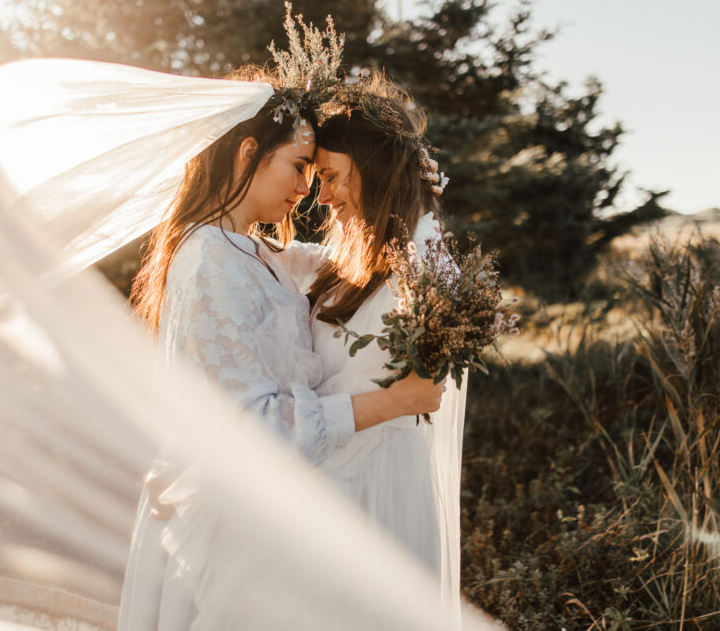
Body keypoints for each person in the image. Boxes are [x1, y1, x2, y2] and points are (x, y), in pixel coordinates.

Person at [118, 68, 444, 631]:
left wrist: (411, 191)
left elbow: (357, 268)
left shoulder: (253, 252)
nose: (307, 191)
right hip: (234, 524)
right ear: (248, 153)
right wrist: (395, 402)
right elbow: (254, 426)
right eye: (299, 167)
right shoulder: (209, 261)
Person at [275, 71, 467, 608]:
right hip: (321, 482)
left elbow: (426, 388)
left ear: (378, 171)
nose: (322, 195)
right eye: (316, 178)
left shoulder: (427, 263)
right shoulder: (341, 264)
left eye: (333, 177)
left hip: (379, 489)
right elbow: (261, 258)